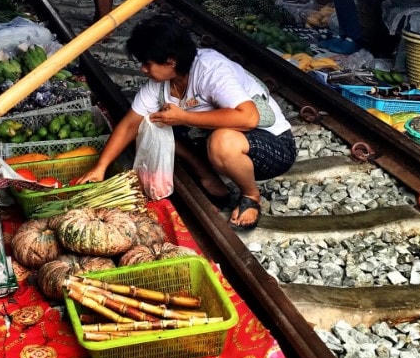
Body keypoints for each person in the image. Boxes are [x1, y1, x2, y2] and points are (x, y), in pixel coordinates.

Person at [76, 16, 296, 231]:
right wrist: (101, 167)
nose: (143, 69)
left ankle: (251, 195)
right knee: (154, 123)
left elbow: (249, 118)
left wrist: (184, 117)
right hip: (218, 139)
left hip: (272, 145)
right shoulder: (161, 83)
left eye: (147, 63)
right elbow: (130, 125)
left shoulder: (211, 70)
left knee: (221, 142)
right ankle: (205, 172)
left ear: (171, 61)